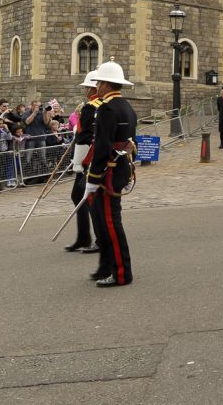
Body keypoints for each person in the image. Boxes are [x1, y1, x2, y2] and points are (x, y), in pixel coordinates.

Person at [84, 60, 138, 287]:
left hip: (108, 172)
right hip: (121, 168)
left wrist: (92, 178)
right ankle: (110, 267)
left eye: (99, 83)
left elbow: (103, 146)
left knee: (111, 223)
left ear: (106, 84)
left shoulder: (107, 109)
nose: (97, 87)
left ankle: (122, 273)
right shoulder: (126, 106)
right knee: (109, 222)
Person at [65, 71, 99, 253]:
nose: (85, 90)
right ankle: (84, 237)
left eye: (87, 87)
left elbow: (85, 137)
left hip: (88, 159)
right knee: (79, 196)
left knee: (87, 197)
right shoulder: (106, 105)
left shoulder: (90, 107)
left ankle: (95, 239)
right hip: (96, 157)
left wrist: (77, 162)